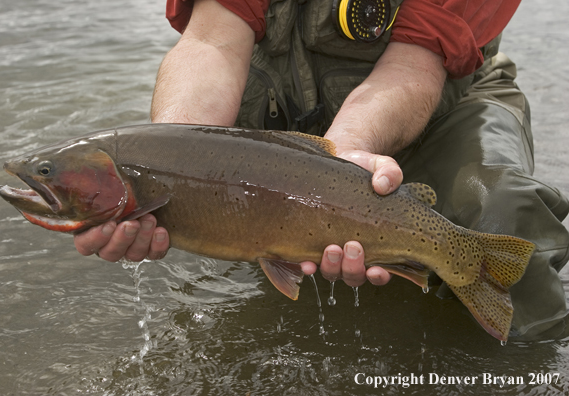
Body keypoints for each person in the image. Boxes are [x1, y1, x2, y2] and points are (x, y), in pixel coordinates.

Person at [74, 0, 569, 339]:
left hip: (437, 109)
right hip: (280, 133)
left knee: (507, 216)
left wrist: (342, 160)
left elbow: (413, 70)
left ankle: (525, 371)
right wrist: (171, 166)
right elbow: (212, 43)